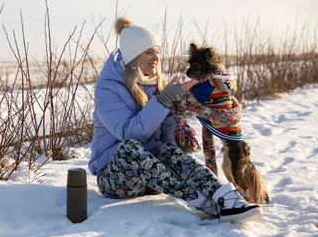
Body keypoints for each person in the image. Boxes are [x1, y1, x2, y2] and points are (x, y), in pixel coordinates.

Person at [88, 16, 263, 223]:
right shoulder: (108, 87)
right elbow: (129, 133)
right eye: (148, 52)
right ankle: (202, 202)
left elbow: (168, 143)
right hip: (117, 179)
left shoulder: (158, 83)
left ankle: (224, 197)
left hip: (154, 178)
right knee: (129, 149)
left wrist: (177, 115)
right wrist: (163, 101)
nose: (155, 58)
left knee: (169, 151)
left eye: (157, 52)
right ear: (133, 56)